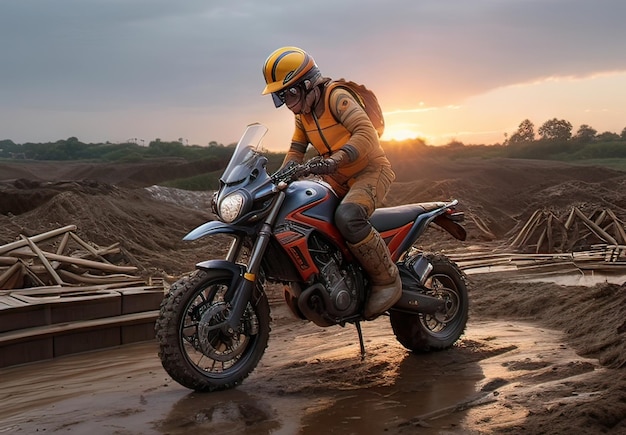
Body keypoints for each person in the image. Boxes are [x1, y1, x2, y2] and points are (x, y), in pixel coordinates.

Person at [261, 46, 402, 319]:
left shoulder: (337, 97)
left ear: (308, 84)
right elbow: (296, 149)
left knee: (348, 217)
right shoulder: (302, 113)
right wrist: (278, 177)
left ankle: (387, 280)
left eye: (290, 93)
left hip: (369, 171)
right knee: (303, 215)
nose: (288, 102)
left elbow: (366, 133)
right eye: (281, 96)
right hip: (335, 178)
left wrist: (338, 159)